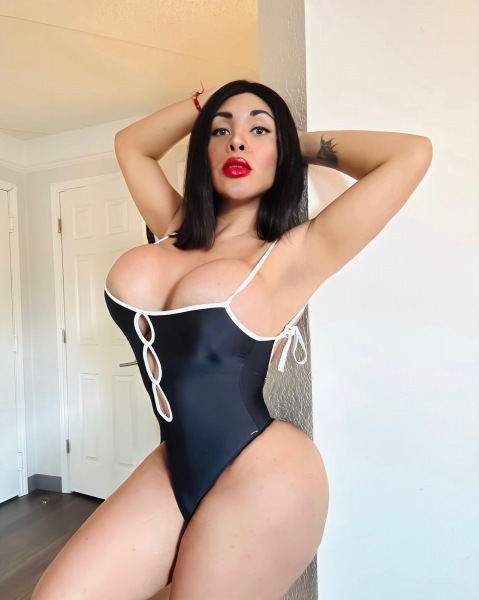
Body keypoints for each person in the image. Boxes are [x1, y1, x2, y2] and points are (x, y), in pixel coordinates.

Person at [32, 80, 432, 600]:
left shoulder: (297, 252)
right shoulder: (172, 225)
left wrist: (289, 140)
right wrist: (200, 107)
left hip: (264, 471)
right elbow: (131, 145)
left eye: (258, 130)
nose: (237, 140)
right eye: (221, 131)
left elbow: (410, 154)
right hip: (175, 464)